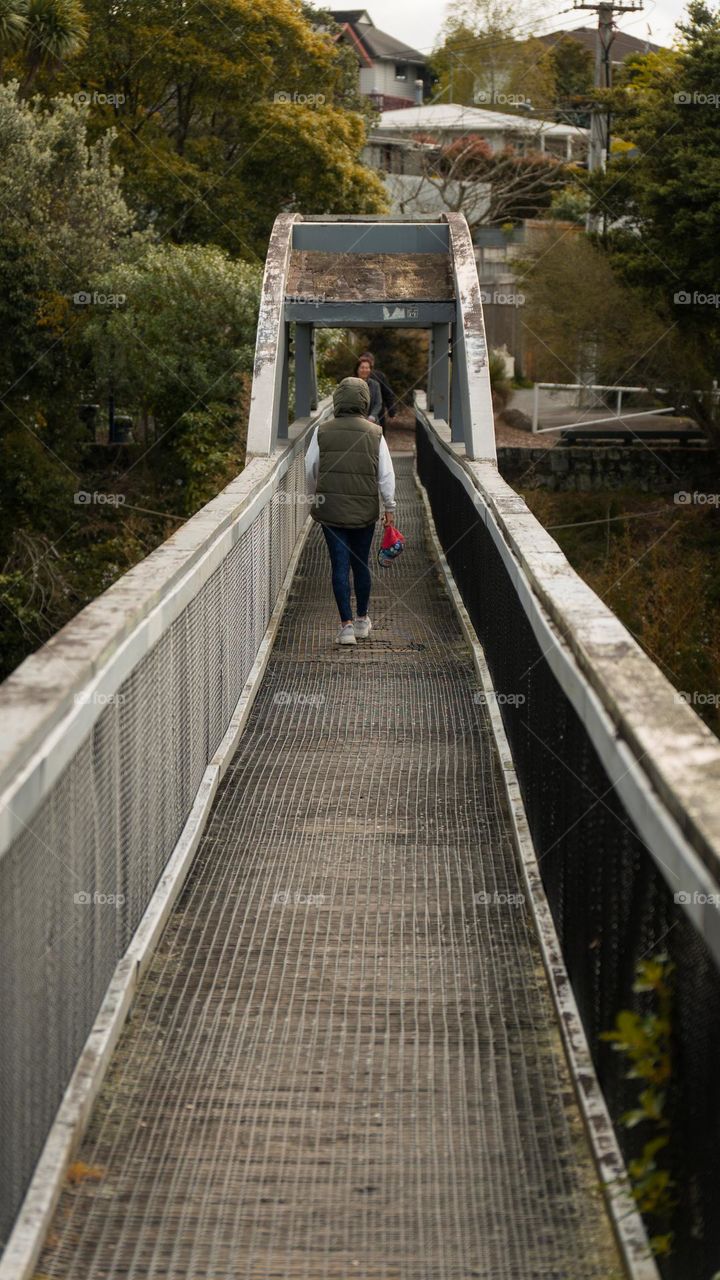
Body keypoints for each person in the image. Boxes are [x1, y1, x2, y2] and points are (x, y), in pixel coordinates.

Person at [305, 377, 396, 646]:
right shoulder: (375, 433)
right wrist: (389, 507)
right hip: (364, 511)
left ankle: (345, 627)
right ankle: (362, 620)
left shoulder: (322, 431)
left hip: (330, 511)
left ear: (338, 400)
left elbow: (310, 468)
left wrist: (314, 496)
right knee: (361, 564)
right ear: (364, 401)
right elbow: (386, 475)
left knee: (339, 566)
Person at [357, 351, 396, 435]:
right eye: (362, 367)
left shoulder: (379, 377)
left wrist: (391, 411)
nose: (365, 369)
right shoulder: (353, 380)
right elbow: (388, 394)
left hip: (377, 412)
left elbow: (387, 394)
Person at [354, 355, 383, 423]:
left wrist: (372, 416)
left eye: (367, 368)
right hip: (355, 421)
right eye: (362, 367)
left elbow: (378, 403)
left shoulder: (375, 385)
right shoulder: (350, 383)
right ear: (357, 369)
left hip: (372, 421)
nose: (365, 370)